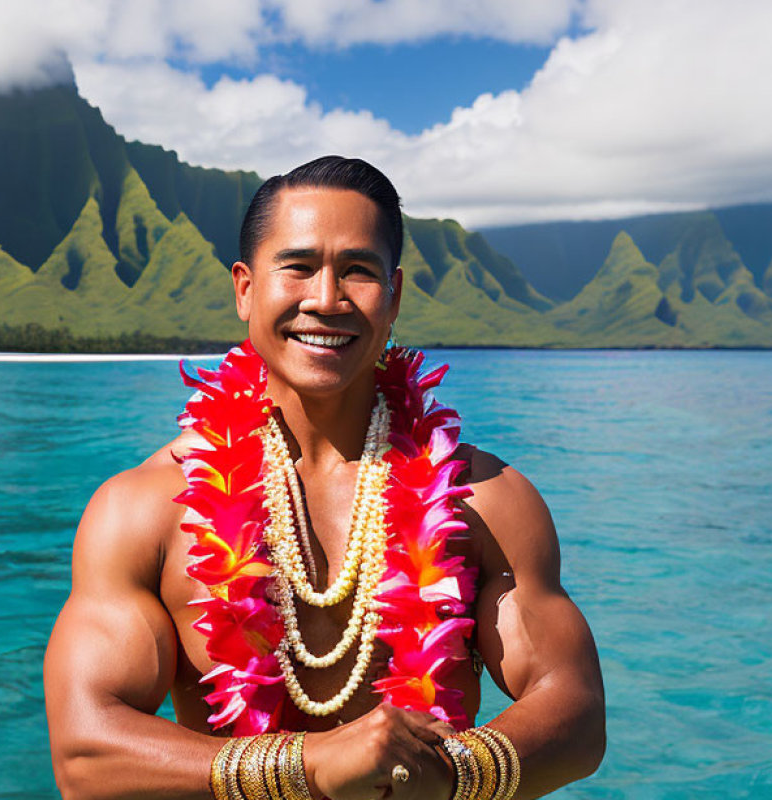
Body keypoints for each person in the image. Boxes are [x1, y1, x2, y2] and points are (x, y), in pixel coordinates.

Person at [44, 156, 605, 800]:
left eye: (358, 271)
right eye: (299, 266)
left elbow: (578, 714)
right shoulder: (146, 510)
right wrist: (308, 766)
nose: (326, 299)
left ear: (394, 294)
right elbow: (84, 757)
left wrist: (449, 774)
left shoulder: (482, 501)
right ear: (245, 289)